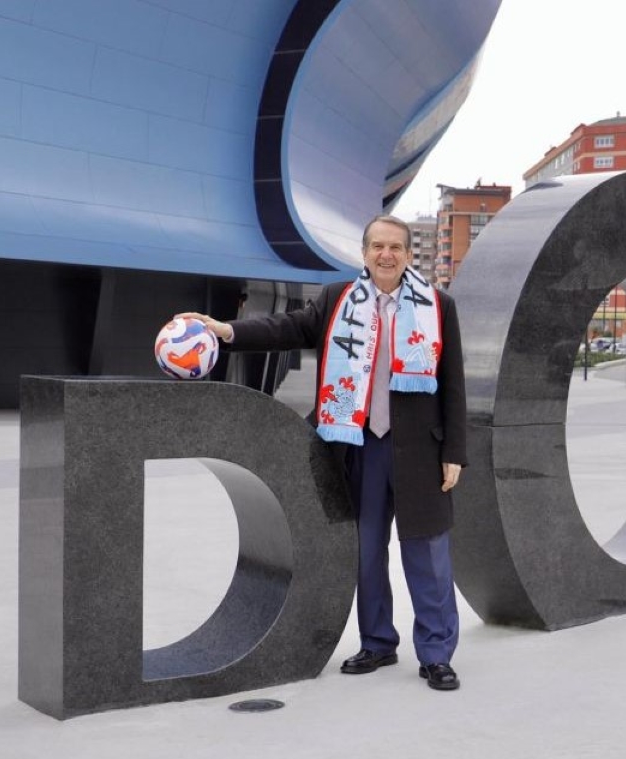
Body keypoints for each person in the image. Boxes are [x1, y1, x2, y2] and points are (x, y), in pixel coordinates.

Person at [178, 214, 468, 691]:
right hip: (360, 446)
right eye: (377, 246)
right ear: (365, 252)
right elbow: (286, 328)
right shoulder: (339, 300)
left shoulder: (438, 305)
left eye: (395, 247)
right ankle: (378, 642)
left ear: (408, 254)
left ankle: (436, 654)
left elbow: (453, 381)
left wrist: (454, 450)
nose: (386, 255)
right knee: (365, 552)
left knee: (428, 555)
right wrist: (226, 331)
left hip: (421, 451)